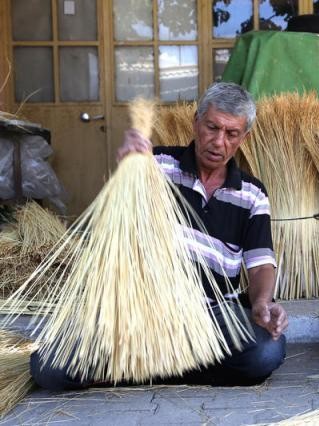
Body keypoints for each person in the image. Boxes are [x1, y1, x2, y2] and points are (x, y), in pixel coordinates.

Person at [30, 82, 288, 389]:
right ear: (196, 122)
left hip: (214, 318)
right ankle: (180, 366)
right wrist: (127, 173)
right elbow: (120, 224)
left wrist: (261, 303)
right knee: (49, 365)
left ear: (244, 138)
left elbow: (260, 264)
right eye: (212, 127)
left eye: (231, 134)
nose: (218, 141)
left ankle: (145, 369)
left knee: (266, 352)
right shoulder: (157, 165)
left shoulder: (252, 194)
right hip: (144, 315)